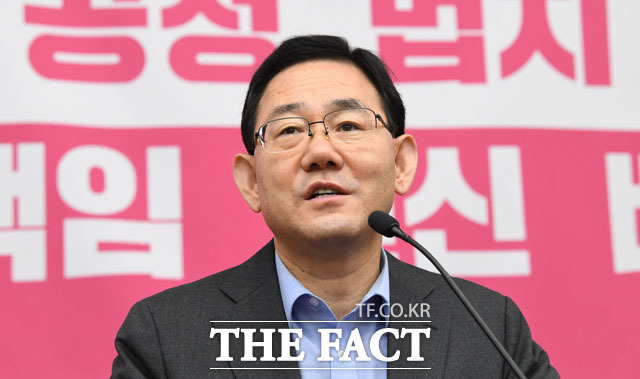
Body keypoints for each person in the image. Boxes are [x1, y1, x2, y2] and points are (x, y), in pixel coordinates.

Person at [111, 35, 559, 378]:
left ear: (401, 165)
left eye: (347, 125)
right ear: (251, 183)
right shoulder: (165, 336)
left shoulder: (489, 328)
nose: (321, 152)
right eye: (289, 130)